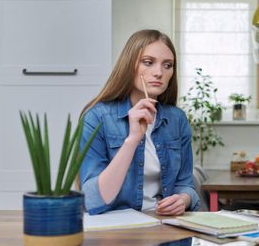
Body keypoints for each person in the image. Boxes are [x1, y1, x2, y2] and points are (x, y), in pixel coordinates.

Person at [79, 29, 200, 215]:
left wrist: (183, 200)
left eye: (167, 65)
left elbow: (185, 185)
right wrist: (133, 139)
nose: (159, 72)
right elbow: (92, 200)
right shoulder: (97, 117)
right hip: (115, 230)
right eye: (148, 62)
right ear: (129, 65)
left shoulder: (177, 120)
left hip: (163, 225)